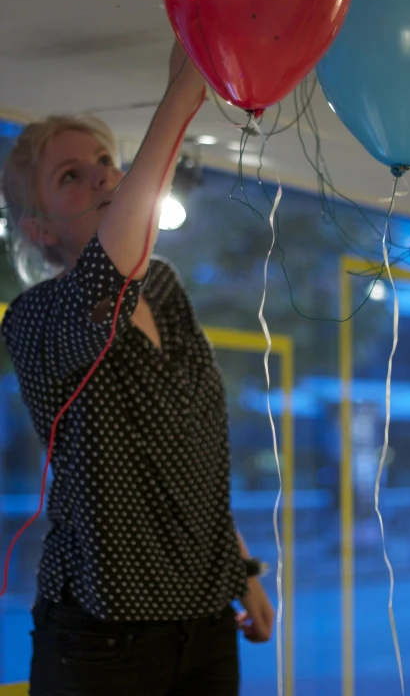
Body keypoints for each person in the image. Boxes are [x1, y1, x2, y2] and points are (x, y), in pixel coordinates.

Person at [0, 40, 274, 696]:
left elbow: (196, 452)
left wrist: (244, 568)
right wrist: (181, 93)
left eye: (103, 161)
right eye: (70, 175)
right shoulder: (36, 317)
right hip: (103, 633)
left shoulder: (169, 289)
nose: (100, 175)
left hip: (205, 617)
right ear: (38, 229)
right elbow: (107, 272)